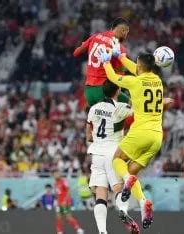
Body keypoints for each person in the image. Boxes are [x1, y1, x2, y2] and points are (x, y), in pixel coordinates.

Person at [98, 43, 173, 229]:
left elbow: (113, 77)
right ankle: (143, 203)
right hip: (157, 137)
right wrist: (121, 57)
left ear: (139, 67)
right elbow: (138, 69)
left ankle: (131, 186)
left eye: (136, 64)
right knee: (129, 173)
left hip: (140, 132)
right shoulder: (157, 81)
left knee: (117, 160)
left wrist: (107, 61)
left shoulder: (135, 82)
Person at [86, 80, 139, 234]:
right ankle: (122, 210)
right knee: (118, 188)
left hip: (96, 152)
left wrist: (93, 138)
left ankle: (102, 231)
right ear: (118, 91)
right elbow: (137, 109)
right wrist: (126, 95)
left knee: (100, 194)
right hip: (113, 151)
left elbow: (89, 131)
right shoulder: (120, 108)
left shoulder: (93, 108)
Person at [73, 18, 130, 107]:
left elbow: (76, 53)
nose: (126, 35)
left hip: (89, 91)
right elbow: (120, 74)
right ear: (123, 31)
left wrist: (83, 45)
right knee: (131, 106)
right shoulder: (119, 48)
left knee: (96, 119)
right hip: (105, 90)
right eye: (126, 32)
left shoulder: (94, 36)